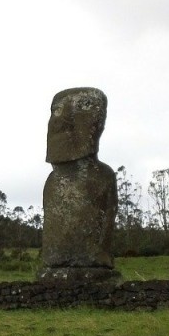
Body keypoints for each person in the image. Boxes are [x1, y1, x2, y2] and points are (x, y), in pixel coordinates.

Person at [38, 87, 119, 284]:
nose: (62, 119)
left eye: (84, 106)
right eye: (56, 110)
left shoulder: (103, 176)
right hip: (55, 262)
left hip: (93, 262)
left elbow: (107, 222)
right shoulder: (52, 182)